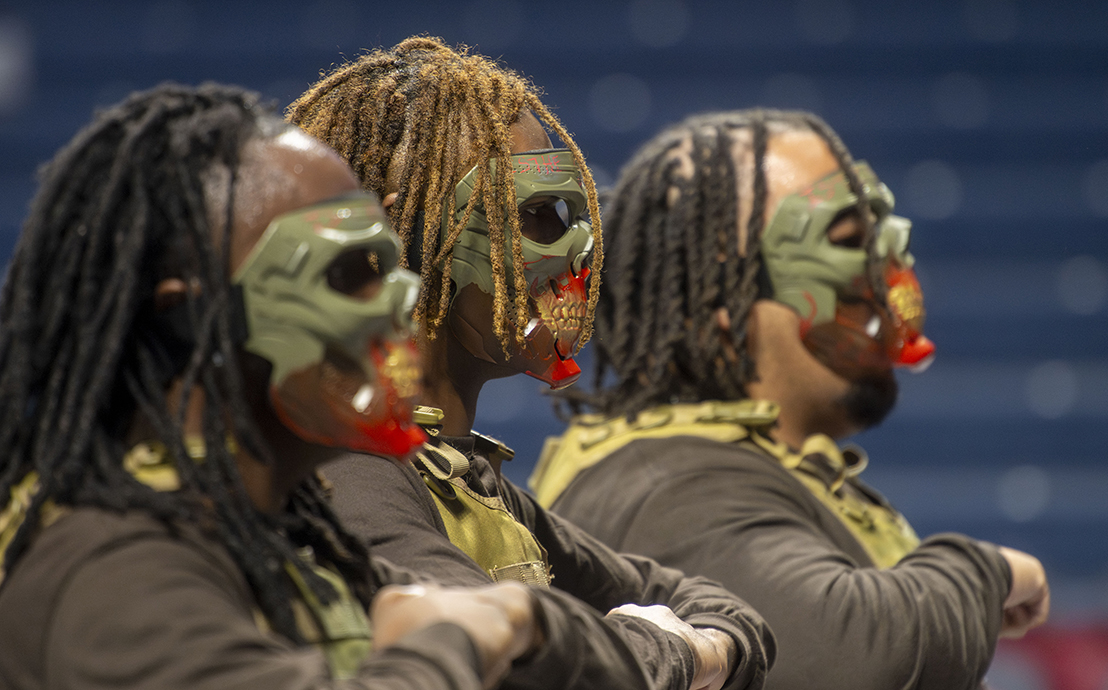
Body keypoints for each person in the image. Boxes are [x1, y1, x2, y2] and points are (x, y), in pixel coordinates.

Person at [0, 81, 619, 690]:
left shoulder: (280, 531)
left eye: (385, 263)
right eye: (345, 274)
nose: (400, 298)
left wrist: (528, 623)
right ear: (195, 315)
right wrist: (461, 638)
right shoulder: (115, 566)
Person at [289, 38, 772, 690]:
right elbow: (520, 666)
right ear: (401, 236)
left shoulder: (462, 477)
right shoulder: (343, 469)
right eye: (540, 215)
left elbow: (718, 608)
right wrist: (679, 652)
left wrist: (688, 647)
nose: (580, 248)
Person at [531, 109, 1051, 690]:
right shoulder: (667, 486)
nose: (889, 266)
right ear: (718, 306)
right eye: (852, 240)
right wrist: (988, 571)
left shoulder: (736, 462)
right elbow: (849, 659)